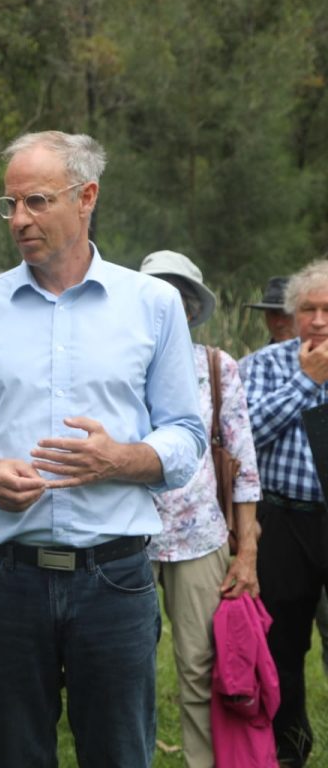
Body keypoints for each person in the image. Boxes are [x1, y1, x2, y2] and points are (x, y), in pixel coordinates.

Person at [0, 130, 206, 767]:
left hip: (113, 575)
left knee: (118, 752)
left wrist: (120, 459)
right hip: (4, 574)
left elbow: (186, 436)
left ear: (87, 197)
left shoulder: (153, 305)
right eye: (10, 205)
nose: (19, 219)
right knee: (15, 752)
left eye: (36, 201)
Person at [140, 250, 262, 768]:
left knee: (199, 665)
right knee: (125, 667)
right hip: (127, 535)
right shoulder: (114, 363)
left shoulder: (216, 365)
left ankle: (204, 762)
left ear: (190, 308)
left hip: (200, 538)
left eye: (176, 298)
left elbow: (244, 462)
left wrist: (248, 552)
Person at [241, 258, 328, 766]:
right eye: (307, 309)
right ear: (292, 315)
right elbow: (242, 438)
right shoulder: (263, 365)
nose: (317, 320)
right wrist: (305, 382)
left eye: (327, 310)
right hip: (281, 521)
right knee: (282, 645)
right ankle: (287, 747)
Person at [244, 276, 296, 345]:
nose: (279, 323)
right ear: (265, 316)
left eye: (286, 314)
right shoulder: (261, 355)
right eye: (273, 314)